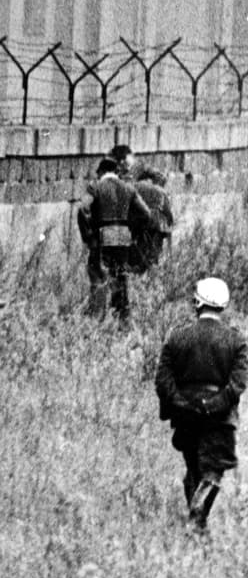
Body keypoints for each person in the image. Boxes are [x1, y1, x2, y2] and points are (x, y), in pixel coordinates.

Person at [155, 277, 248, 532]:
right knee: (212, 472)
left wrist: (181, 403)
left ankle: (197, 527)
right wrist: (213, 405)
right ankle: (196, 522)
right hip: (219, 418)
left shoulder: (176, 337)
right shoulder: (237, 341)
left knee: (193, 468)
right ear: (223, 305)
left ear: (197, 302)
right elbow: (238, 384)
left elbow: (163, 381)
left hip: (185, 417)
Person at [77, 157, 153, 321]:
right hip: (123, 237)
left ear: (102, 172)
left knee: (98, 274)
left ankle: (97, 316)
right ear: (116, 172)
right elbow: (146, 214)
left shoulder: (96, 187)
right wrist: (132, 231)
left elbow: (83, 209)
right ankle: (121, 316)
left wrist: (89, 237)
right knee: (120, 275)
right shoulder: (128, 188)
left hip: (102, 236)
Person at [131, 168, 173, 273]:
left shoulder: (134, 186)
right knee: (154, 250)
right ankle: (151, 271)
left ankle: (138, 270)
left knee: (139, 247)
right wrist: (170, 222)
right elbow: (167, 211)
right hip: (156, 222)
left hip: (139, 221)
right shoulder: (160, 190)